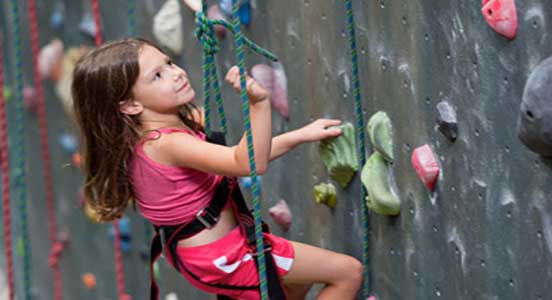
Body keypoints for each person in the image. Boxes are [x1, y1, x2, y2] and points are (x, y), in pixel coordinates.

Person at [72, 37, 363, 300]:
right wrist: (259, 103)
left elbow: (235, 158)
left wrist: (299, 135)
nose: (177, 74)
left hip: (207, 254)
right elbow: (249, 162)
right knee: (347, 273)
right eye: (158, 76)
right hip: (223, 256)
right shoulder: (165, 145)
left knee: (296, 285)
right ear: (131, 105)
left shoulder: (151, 137)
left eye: (169, 63)